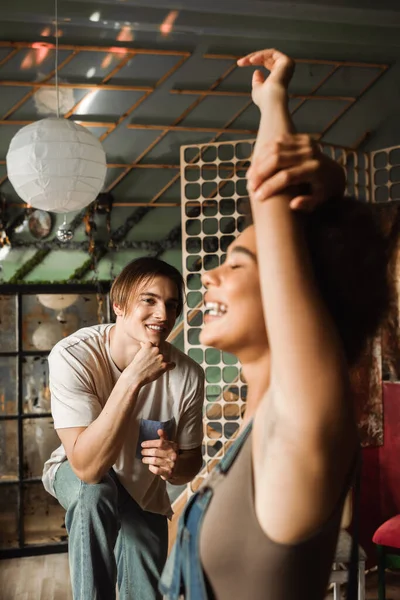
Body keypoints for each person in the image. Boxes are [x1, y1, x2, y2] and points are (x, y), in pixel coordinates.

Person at [160, 49, 390, 600]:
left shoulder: (300, 422)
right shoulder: (258, 422)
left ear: (297, 296)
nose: (210, 275)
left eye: (237, 263)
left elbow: (270, 191)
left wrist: (274, 105)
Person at [42, 257, 205, 600]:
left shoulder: (188, 375)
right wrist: (132, 379)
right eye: (149, 300)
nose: (163, 314)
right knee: (95, 492)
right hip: (77, 468)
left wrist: (176, 464)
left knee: (146, 592)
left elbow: (190, 464)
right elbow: (87, 468)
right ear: (118, 304)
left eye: (171, 304)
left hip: (143, 492)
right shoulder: (73, 355)